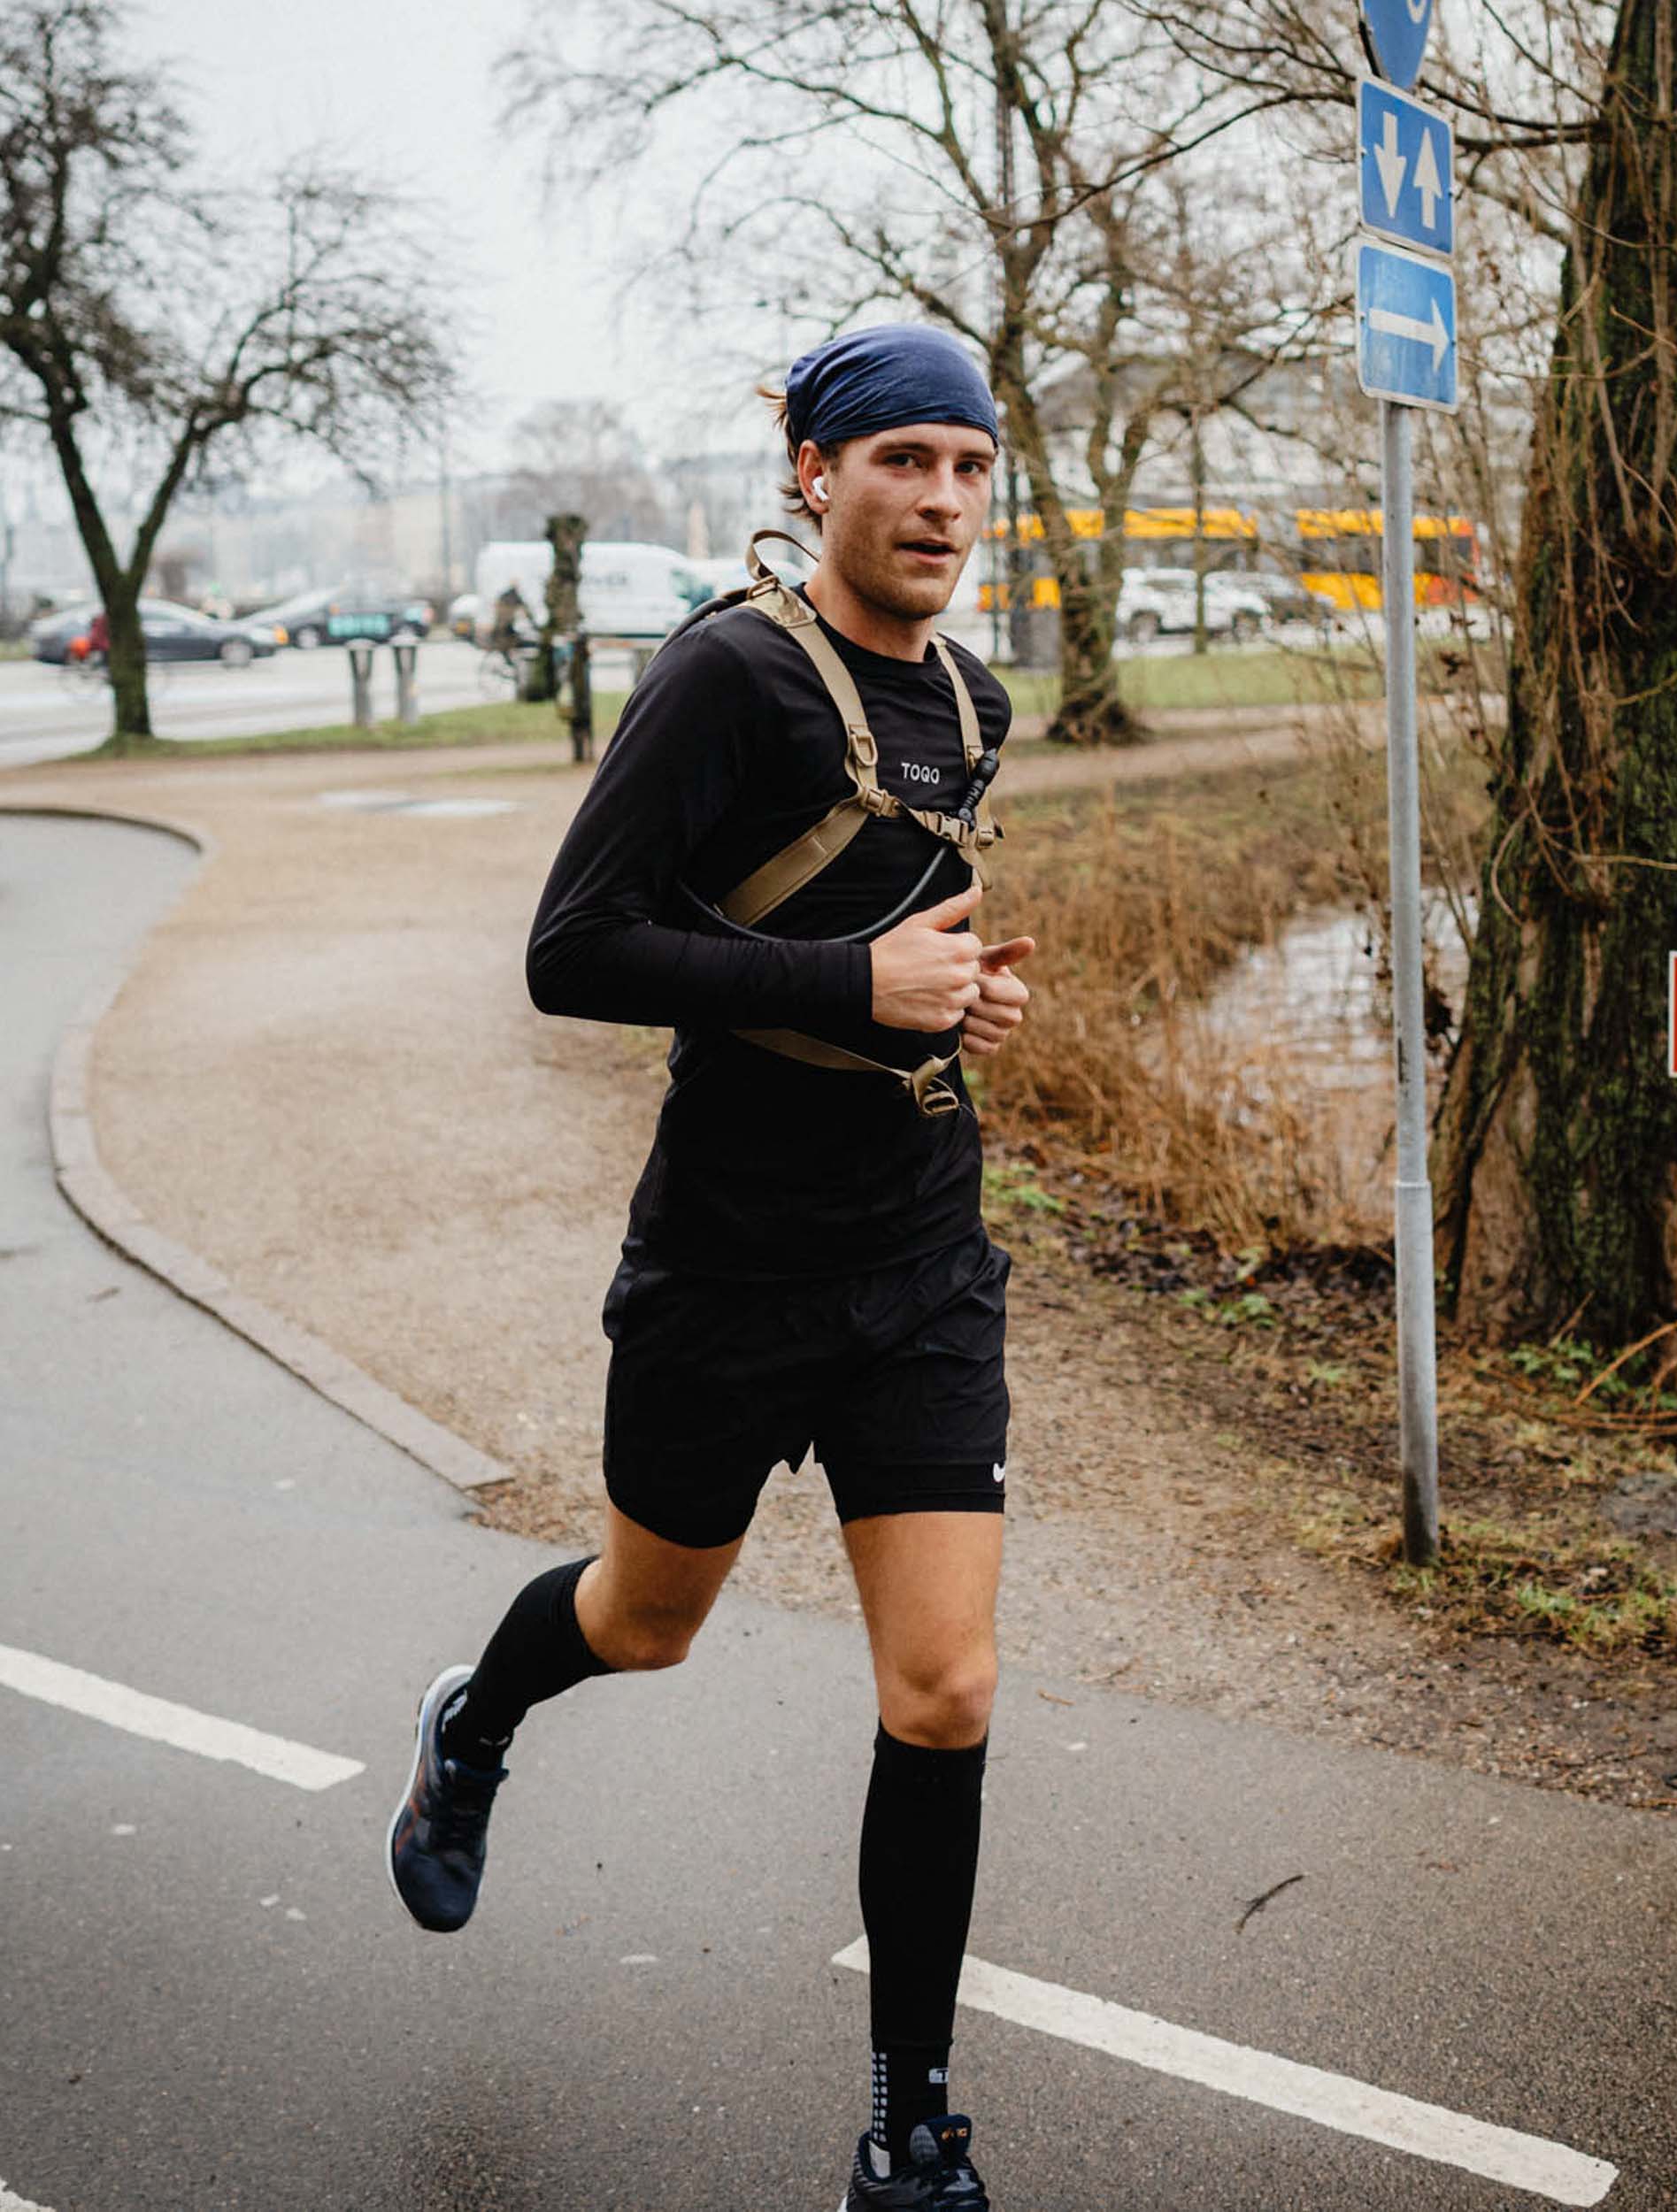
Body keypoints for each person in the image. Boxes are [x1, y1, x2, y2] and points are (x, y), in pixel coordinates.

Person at [388, 323, 1035, 2212]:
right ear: (813, 476)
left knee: (946, 1685)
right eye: (900, 456)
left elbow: (897, 931)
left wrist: (956, 1001)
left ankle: (911, 2121)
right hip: (729, 1271)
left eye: (968, 463)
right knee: (645, 1617)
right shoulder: (729, 674)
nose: (938, 497)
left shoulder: (974, 703)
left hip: (918, 1254)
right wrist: (851, 984)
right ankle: (475, 1718)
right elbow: (573, 950)